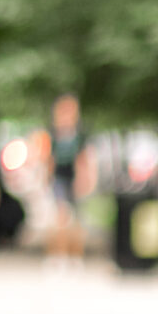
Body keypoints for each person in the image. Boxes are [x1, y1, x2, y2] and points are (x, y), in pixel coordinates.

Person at [46, 94, 92, 259]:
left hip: (75, 178)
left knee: (77, 220)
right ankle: (58, 255)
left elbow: (84, 159)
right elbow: (49, 159)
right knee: (61, 217)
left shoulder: (80, 133)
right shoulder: (53, 132)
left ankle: (75, 256)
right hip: (59, 178)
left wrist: (85, 180)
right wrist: (47, 178)